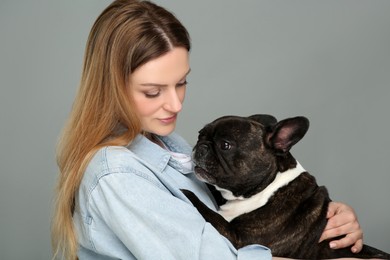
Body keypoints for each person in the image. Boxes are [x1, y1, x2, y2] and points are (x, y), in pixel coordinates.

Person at [51, 0, 363, 259]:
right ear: (111, 88)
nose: (175, 104)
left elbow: (240, 224)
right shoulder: (117, 176)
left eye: (181, 83)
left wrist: (325, 222)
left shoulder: (168, 146)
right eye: (152, 91)